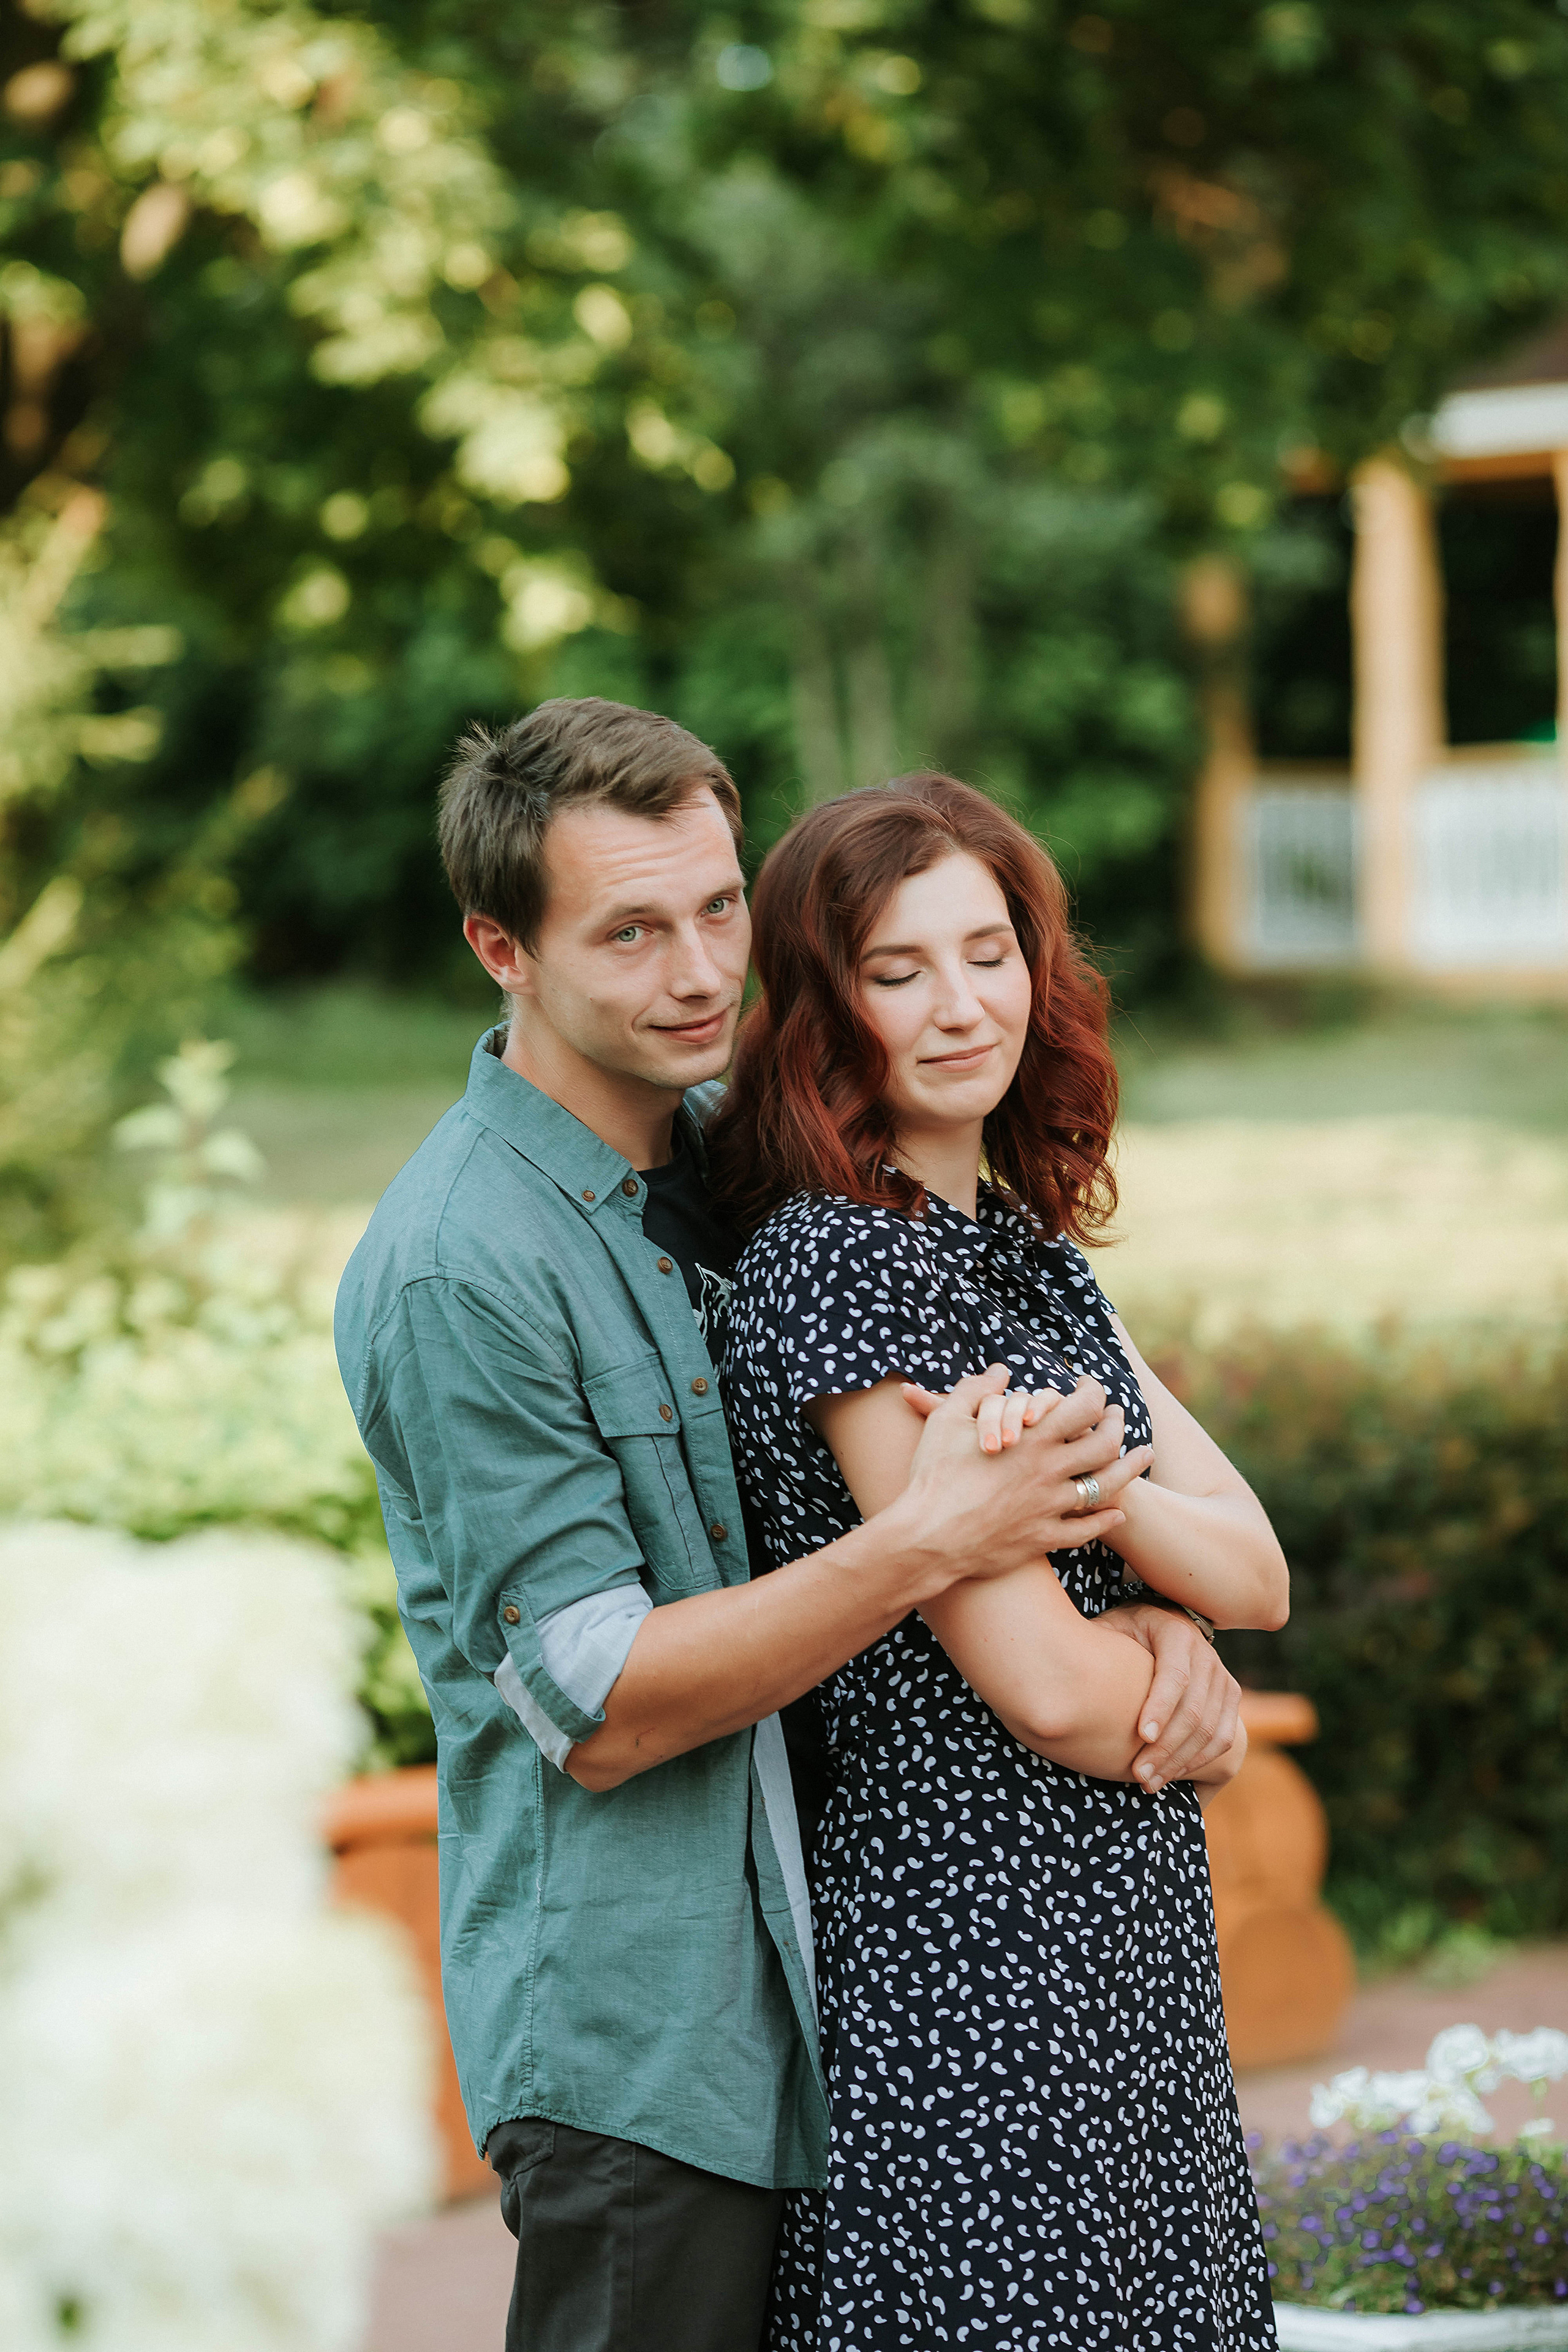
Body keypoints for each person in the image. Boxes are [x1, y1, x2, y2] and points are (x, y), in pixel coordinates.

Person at [333, 699, 1244, 2352]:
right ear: (499, 948)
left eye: (717, 910)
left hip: (838, 1994)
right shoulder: (464, 1264)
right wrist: (937, 1546)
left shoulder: (737, 1160)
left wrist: (1152, 1619)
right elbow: (598, 1703)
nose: (700, 974)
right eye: (630, 931)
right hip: (648, 2045)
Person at [712, 771, 1288, 2352]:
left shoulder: (1028, 1254)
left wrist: (1101, 1507)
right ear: (825, 1014)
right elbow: (1043, 1687)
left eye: (990, 952)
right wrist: (1179, 1675)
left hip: (1124, 1957)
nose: (964, 1005)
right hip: (968, 1970)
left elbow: (1255, 1574)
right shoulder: (840, 1262)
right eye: (899, 972)